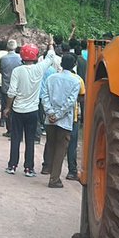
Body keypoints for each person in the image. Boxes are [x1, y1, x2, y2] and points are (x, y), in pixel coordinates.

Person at [4, 44, 46, 176]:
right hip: (32, 111)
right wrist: (50, 44)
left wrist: (7, 107)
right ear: (36, 56)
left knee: (16, 139)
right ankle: (29, 168)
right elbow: (50, 57)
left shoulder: (17, 71)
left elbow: (11, 92)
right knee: (30, 140)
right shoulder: (40, 68)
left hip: (18, 110)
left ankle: (12, 166)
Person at [41, 54, 80, 188]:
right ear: (74, 64)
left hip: (50, 119)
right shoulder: (75, 81)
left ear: (61, 64)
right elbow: (71, 102)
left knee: (50, 145)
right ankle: (54, 179)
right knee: (60, 150)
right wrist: (58, 114)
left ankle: (48, 169)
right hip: (64, 120)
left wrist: (50, 112)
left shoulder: (51, 78)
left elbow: (44, 97)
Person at [67, 40, 87, 181]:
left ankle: (47, 166)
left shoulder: (53, 78)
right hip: (71, 115)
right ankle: (72, 171)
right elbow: (81, 97)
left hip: (53, 117)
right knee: (71, 144)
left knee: (54, 142)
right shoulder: (78, 80)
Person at [0, 40, 22, 133]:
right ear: (16, 47)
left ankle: (9, 129)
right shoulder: (20, 58)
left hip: (6, 86)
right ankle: (16, 129)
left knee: (6, 108)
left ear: (7, 48)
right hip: (17, 87)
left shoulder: (3, 58)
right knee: (16, 108)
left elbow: (1, 71)